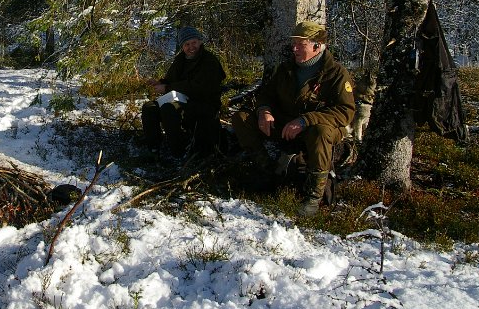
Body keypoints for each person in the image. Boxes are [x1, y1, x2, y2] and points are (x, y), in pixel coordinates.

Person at [231, 21, 355, 216]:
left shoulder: (336, 73)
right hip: (285, 122)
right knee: (242, 118)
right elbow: (266, 95)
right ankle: (266, 170)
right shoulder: (286, 69)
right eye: (294, 44)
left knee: (321, 132)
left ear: (317, 46)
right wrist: (264, 111)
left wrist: (306, 120)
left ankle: (314, 195)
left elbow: (345, 111)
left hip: (316, 127)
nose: (294, 49)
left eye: (300, 44)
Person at [141, 26, 225, 159]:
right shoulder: (181, 59)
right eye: (187, 44)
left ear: (200, 42)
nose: (191, 47)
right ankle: (154, 148)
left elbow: (199, 88)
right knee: (149, 108)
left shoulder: (209, 61)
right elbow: (170, 79)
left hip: (203, 103)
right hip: (180, 98)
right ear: (182, 46)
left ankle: (178, 152)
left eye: (194, 43)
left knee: (169, 108)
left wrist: (167, 88)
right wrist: (159, 83)